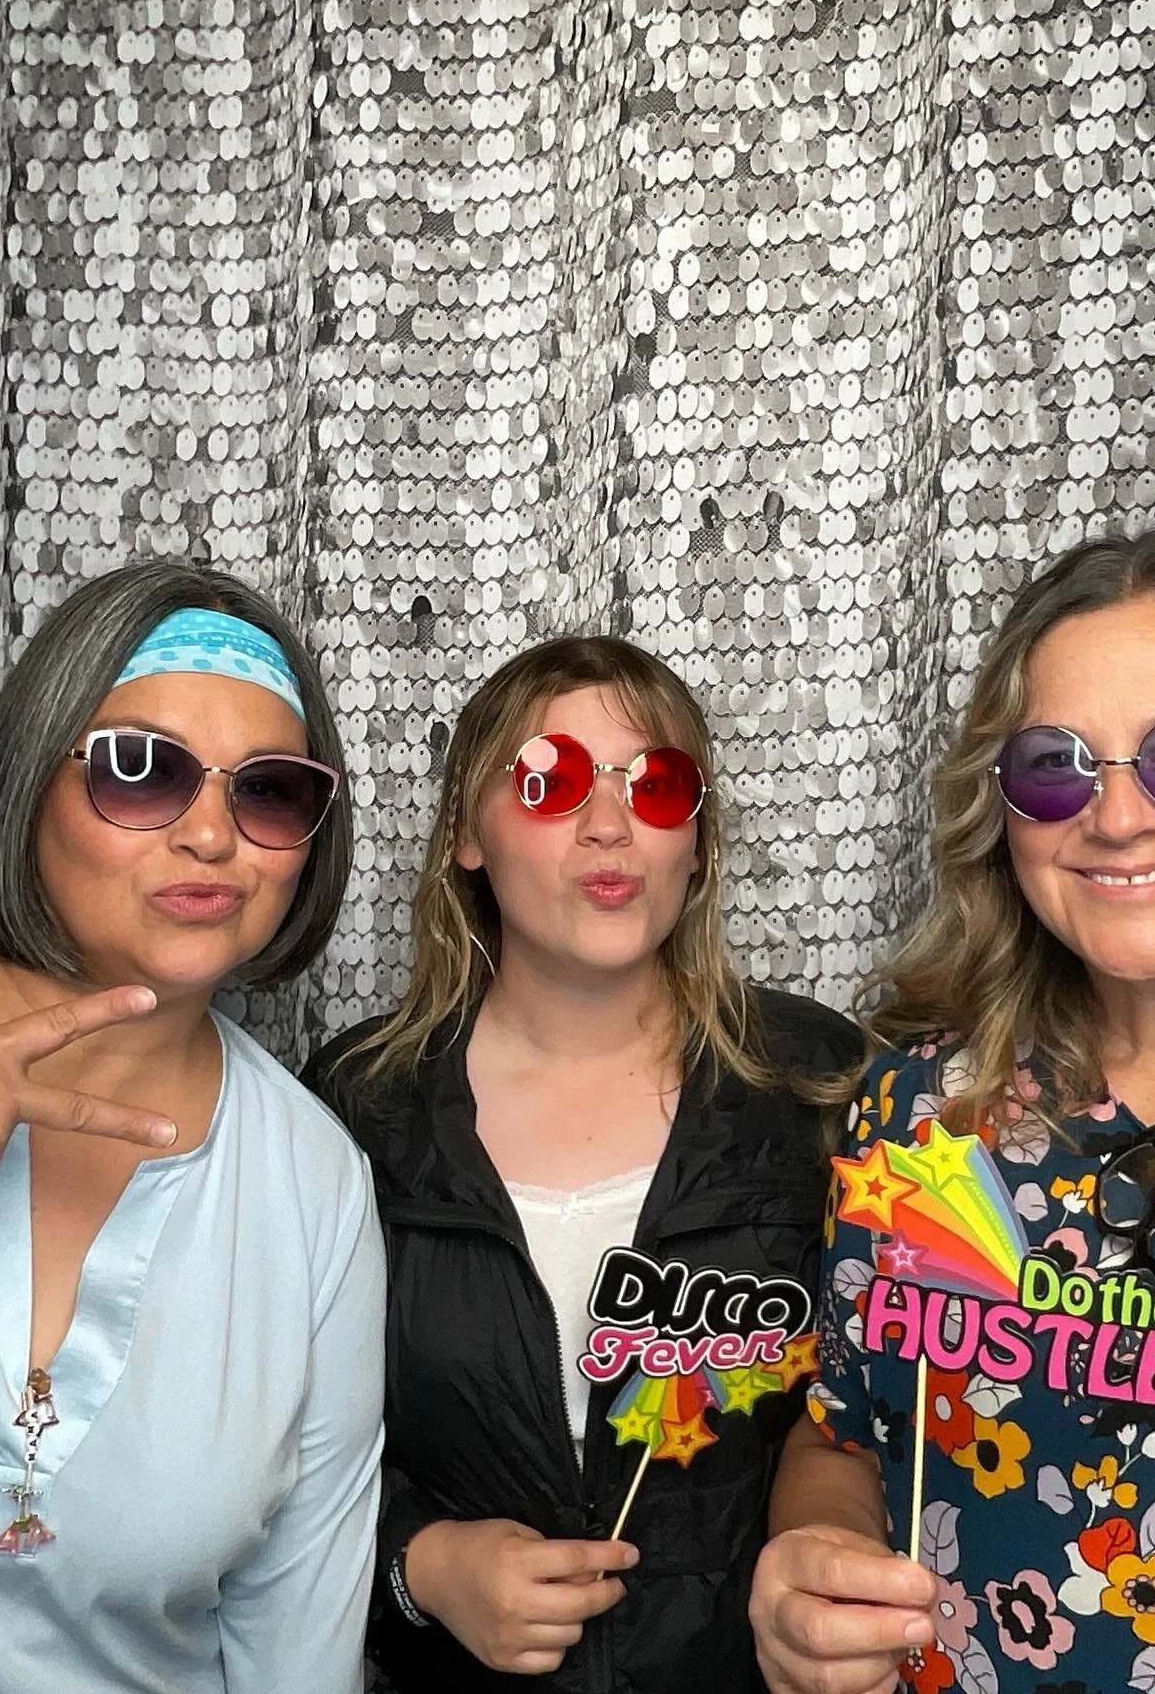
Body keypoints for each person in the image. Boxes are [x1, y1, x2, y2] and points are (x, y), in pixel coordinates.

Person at [750, 526, 1155, 1694]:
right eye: (1056, 766)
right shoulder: (925, 1112)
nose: (1117, 818)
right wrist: (810, 1555)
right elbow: (846, 1427)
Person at [304, 636, 865, 1693]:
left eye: (657, 785)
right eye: (550, 781)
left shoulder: (822, 1086)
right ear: (467, 835)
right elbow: (270, 1442)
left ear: (696, 843)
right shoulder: (353, 1109)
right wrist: (419, 1563)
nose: (610, 823)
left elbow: (892, 1399)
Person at [0, 566, 386, 1694]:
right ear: (29, 782)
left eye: (267, 793)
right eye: (139, 769)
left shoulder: (316, 1186)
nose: (212, 835)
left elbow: (296, 1641)